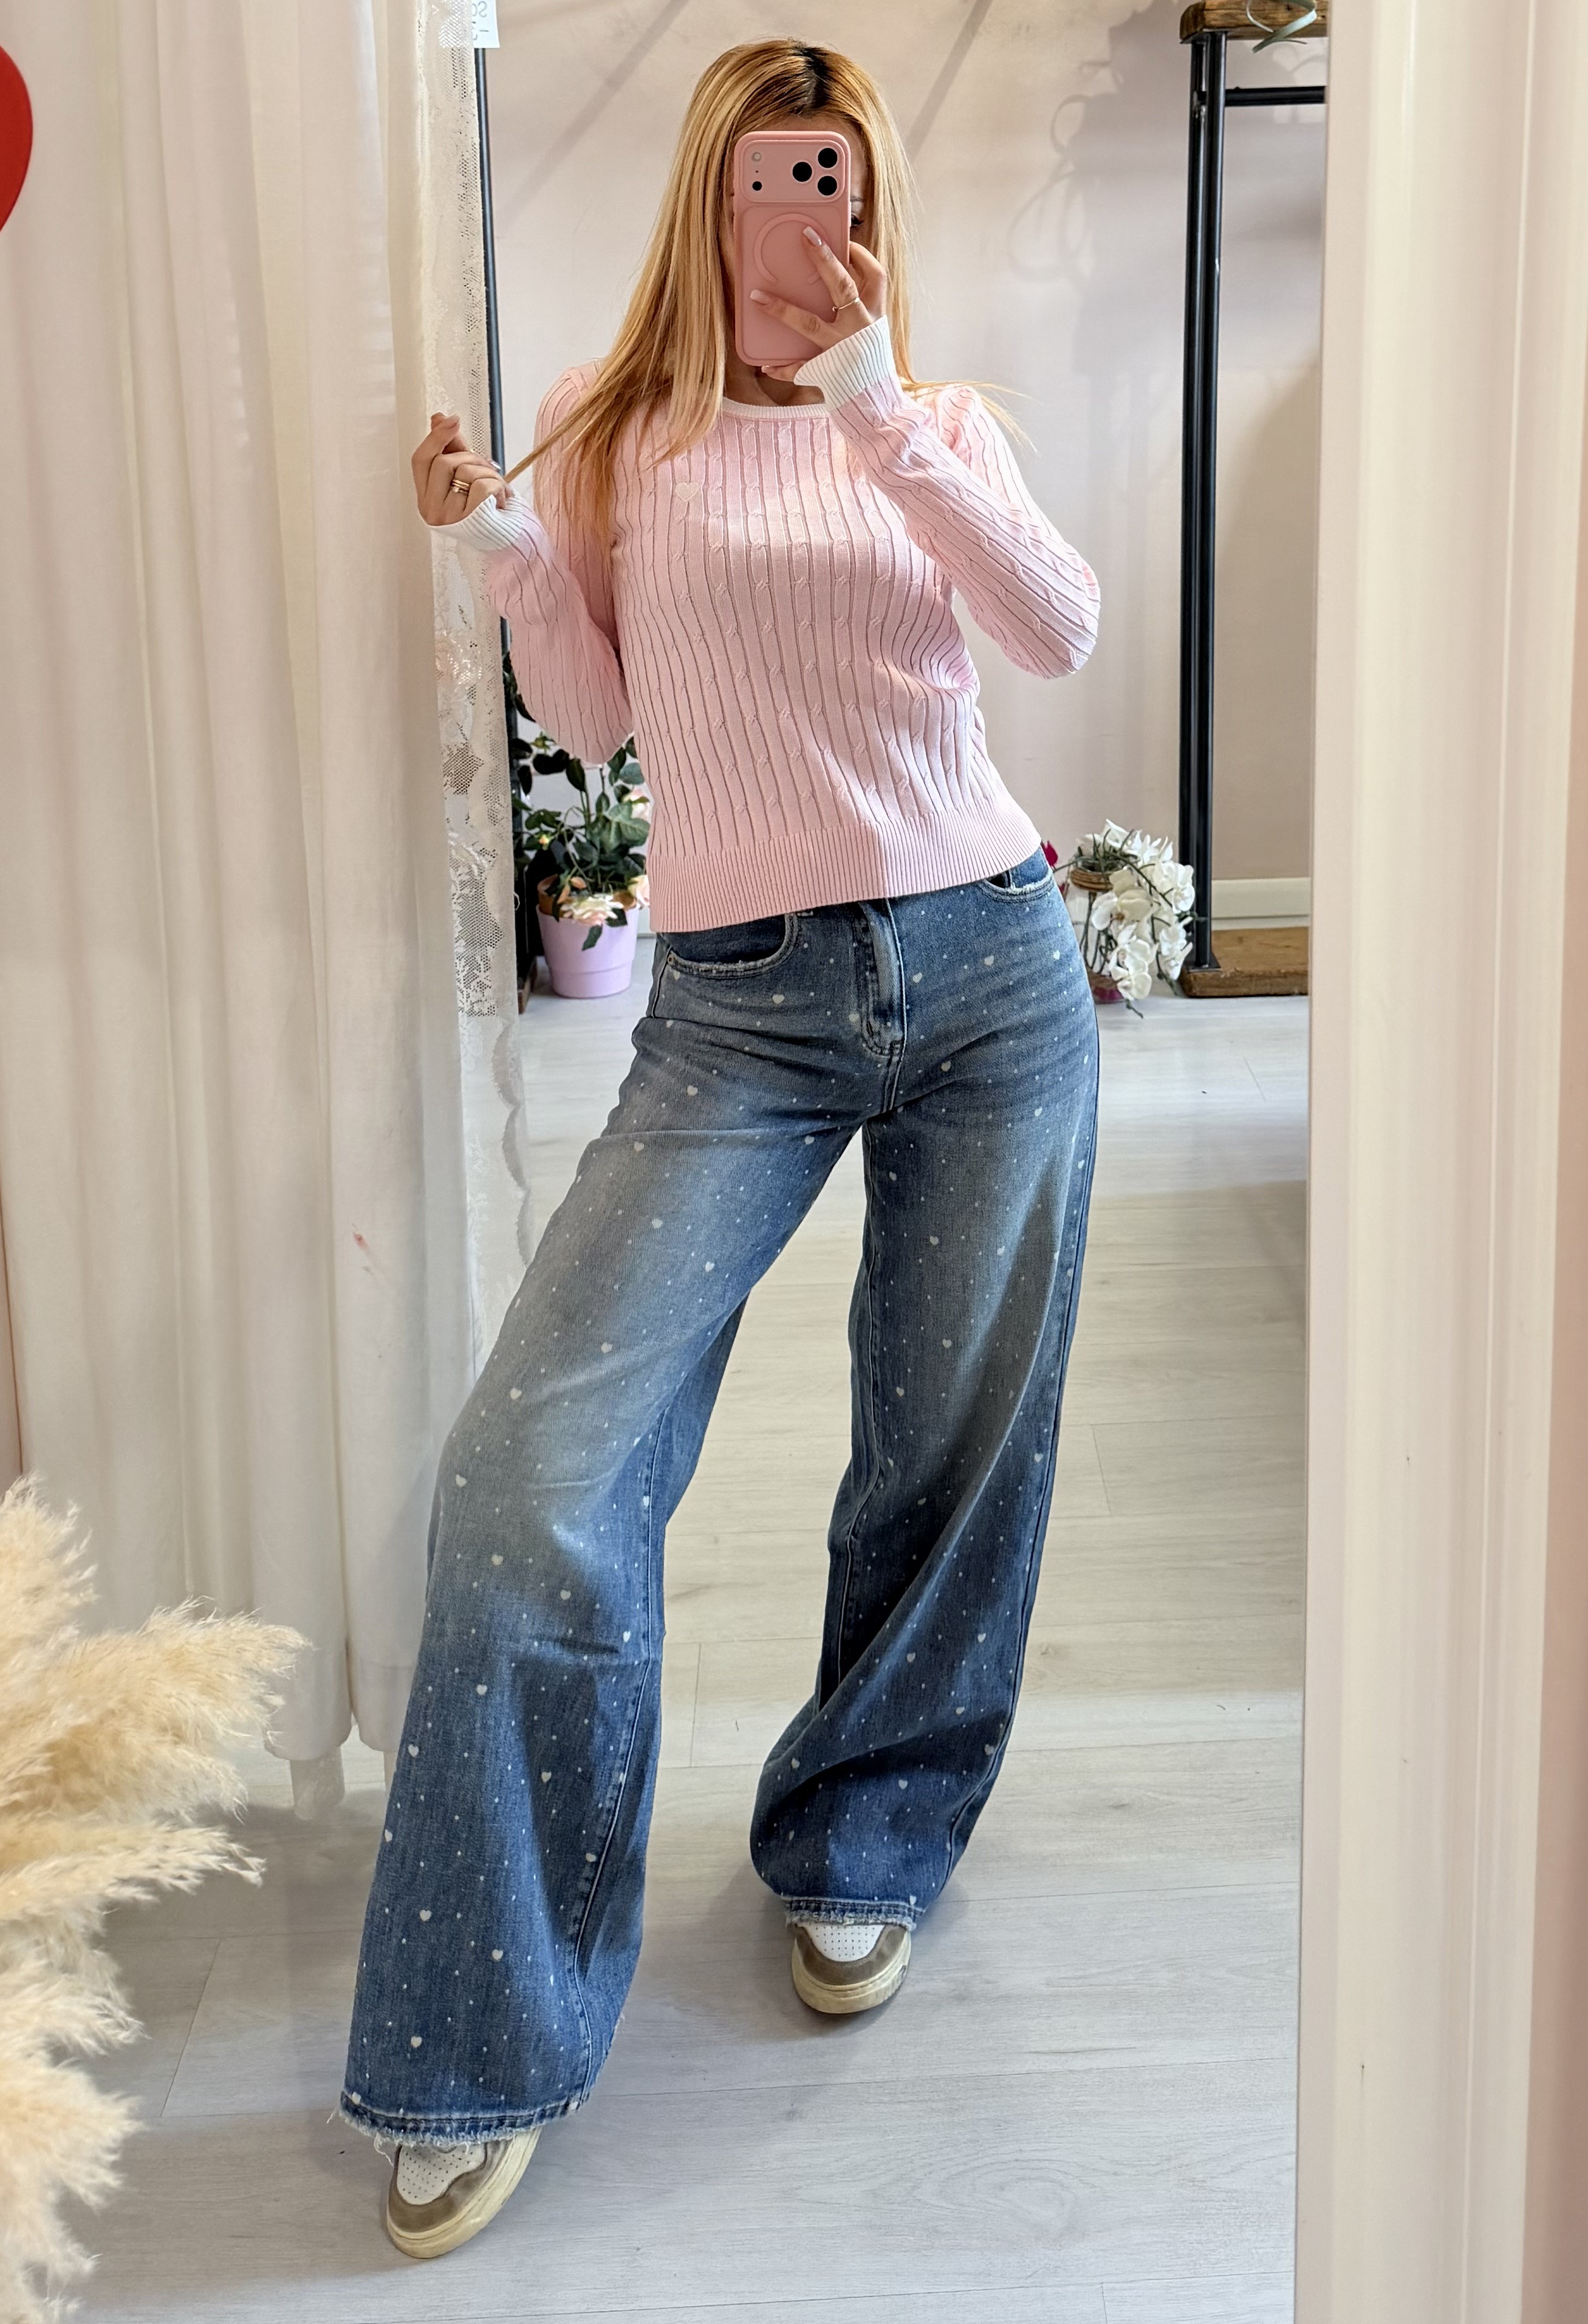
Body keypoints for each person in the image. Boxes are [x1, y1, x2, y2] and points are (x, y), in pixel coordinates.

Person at [342, 36, 1100, 2260]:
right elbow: (600, 716)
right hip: (737, 1010)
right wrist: (501, 542)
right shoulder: (615, 426)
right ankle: (482, 2020)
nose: (805, 214)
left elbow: (1052, 628)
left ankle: (865, 1834)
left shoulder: (929, 419)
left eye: (837, 176)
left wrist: (874, 403)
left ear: (870, 199)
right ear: (714, 193)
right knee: (534, 1475)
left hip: (990, 972)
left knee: (948, 1448)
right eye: (777, 177)